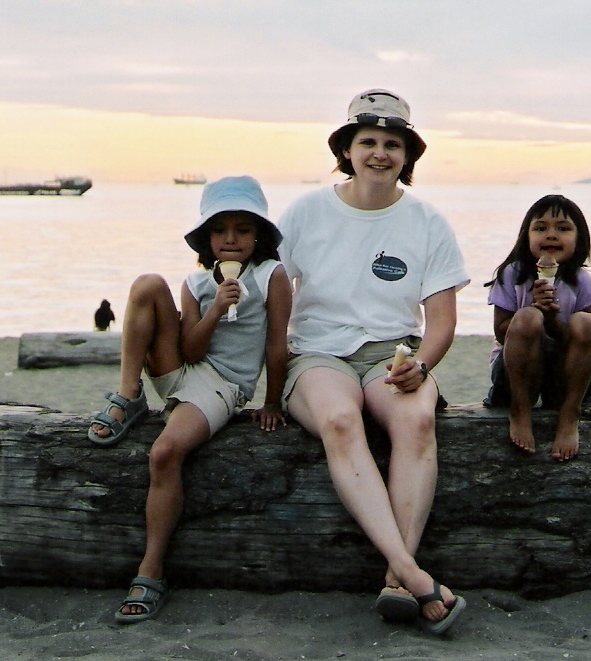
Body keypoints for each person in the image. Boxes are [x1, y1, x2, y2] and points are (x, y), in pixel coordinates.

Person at [278, 89, 469, 634]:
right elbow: (274, 300)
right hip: (317, 354)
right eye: (368, 142)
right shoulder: (307, 211)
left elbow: (443, 322)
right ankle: (415, 576)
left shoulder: (427, 222)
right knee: (341, 422)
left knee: (416, 419)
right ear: (347, 149)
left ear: (408, 155)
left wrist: (423, 366)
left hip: (393, 353)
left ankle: (394, 577)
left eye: (393, 143)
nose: (380, 153)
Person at [86, 175, 292, 624]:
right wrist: (216, 306)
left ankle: (151, 569)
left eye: (242, 229)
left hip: (223, 385)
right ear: (207, 237)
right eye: (221, 230)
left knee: (164, 452)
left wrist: (272, 401)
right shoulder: (195, 283)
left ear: (259, 234)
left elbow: (278, 345)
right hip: (183, 369)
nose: (232, 239)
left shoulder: (270, 276)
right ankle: (128, 395)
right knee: (145, 283)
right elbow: (191, 350)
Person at [483, 194, 591, 462]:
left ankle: (569, 413)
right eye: (540, 228)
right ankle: (520, 409)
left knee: (587, 322)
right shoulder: (512, 275)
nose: (551, 235)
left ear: (579, 240)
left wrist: (552, 321)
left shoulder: (581, 281)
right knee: (527, 317)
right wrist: (535, 312)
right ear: (525, 237)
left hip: (563, 377)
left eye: (563, 228)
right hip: (516, 374)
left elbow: (578, 342)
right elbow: (500, 332)